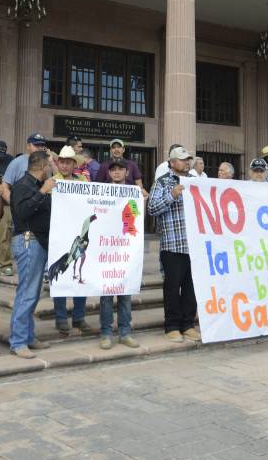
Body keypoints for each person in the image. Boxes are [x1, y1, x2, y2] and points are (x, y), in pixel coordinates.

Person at [148, 146, 199, 343]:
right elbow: (152, 208)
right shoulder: (162, 182)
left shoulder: (195, 181)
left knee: (190, 288)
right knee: (172, 288)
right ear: (172, 163)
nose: (186, 162)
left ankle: (188, 324)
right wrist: (172, 195)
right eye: (182, 159)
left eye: (188, 159)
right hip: (172, 244)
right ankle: (172, 326)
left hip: (193, 244)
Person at [8, 150, 56, 358]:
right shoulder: (22, 185)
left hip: (39, 242)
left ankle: (27, 336)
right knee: (27, 293)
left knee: (32, 294)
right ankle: (18, 341)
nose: (51, 170)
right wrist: (43, 191)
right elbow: (22, 212)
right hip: (29, 241)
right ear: (43, 166)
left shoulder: (36, 186)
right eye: (50, 166)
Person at [98, 157, 139, 349]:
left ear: (127, 172)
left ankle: (125, 332)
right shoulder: (101, 192)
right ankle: (106, 333)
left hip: (125, 250)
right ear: (108, 172)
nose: (116, 172)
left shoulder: (134, 193)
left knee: (125, 294)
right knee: (106, 296)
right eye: (113, 169)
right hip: (107, 250)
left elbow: (136, 217)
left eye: (120, 169)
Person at [51, 147, 92, 335]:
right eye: (62, 162)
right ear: (58, 163)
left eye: (68, 162)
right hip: (59, 235)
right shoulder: (52, 182)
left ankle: (79, 317)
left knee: (80, 274)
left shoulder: (83, 181)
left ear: (74, 164)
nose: (65, 165)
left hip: (78, 234)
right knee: (60, 276)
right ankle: (60, 318)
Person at [0, 134, 50, 276]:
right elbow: (5, 186)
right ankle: (5, 264)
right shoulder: (17, 162)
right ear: (28, 146)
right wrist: (15, 204)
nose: (40, 147)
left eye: (42, 145)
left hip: (37, 210)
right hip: (16, 205)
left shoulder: (47, 161)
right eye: (36, 145)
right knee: (5, 235)